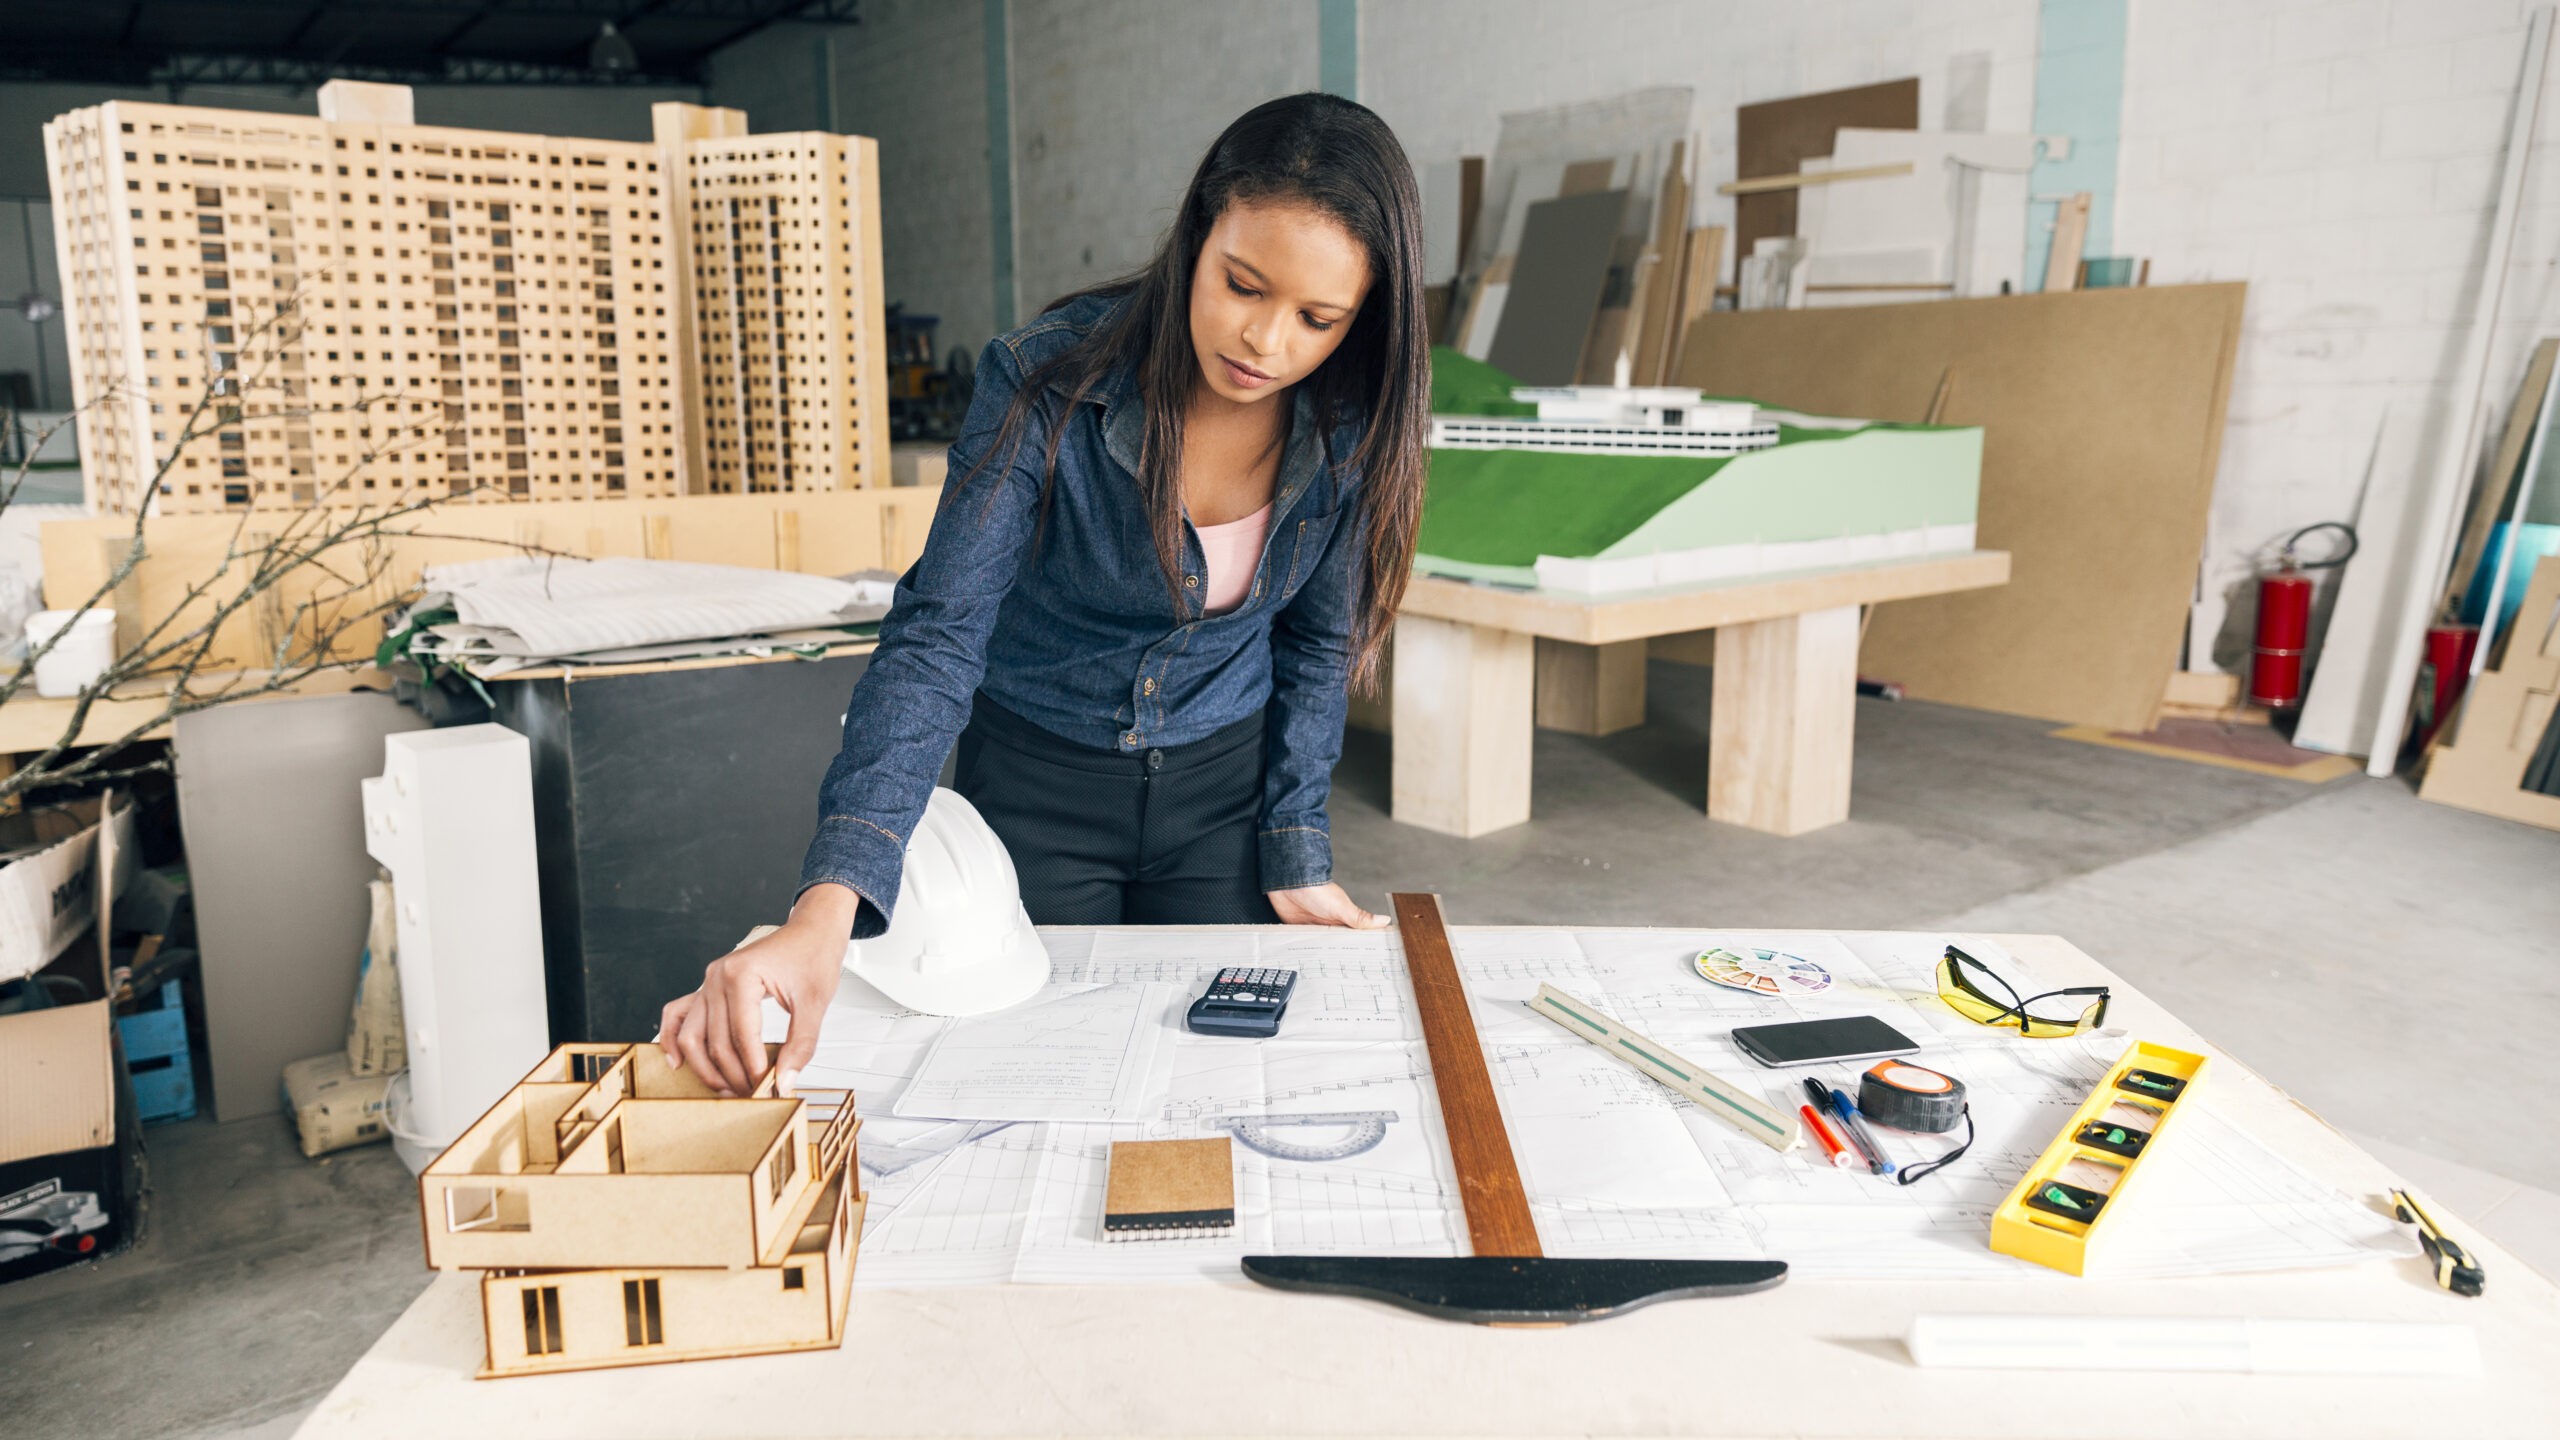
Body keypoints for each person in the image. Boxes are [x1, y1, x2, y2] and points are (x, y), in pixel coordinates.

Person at [661, 93, 1433, 1094]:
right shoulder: (1046, 383)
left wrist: (1293, 847)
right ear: (1199, 231)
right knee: (1033, 1078)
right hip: (1036, 786)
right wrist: (828, 908)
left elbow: (1319, 647)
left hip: (1221, 796)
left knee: (1212, 1082)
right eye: (1242, 285)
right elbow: (939, 634)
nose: (1266, 341)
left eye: (1317, 318)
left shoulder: (1352, 424)